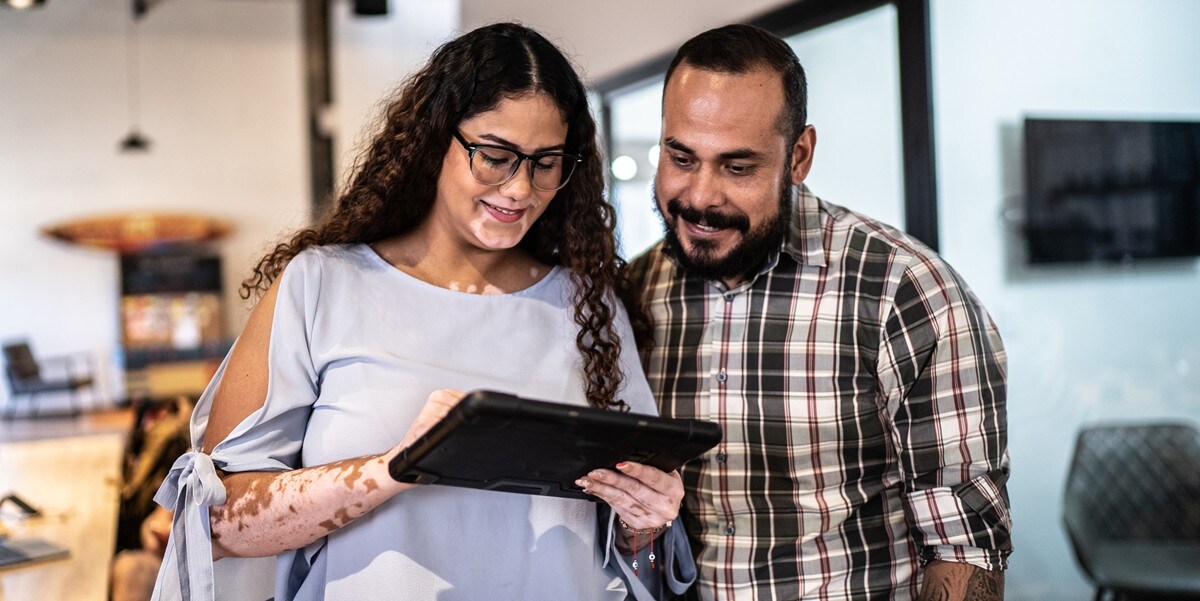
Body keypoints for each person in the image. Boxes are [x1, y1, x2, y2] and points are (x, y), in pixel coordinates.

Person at [150, 23, 694, 601]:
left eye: (546, 162)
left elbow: (635, 552)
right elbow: (217, 524)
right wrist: (396, 467)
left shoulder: (591, 306)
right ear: (436, 139)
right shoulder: (322, 285)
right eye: (495, 156)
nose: (520, 189)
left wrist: (643, 524)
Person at [626, 24, 1011, 600]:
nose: (701, 196)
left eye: (737, 167)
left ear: (799, 156)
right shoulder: (633, 292)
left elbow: (964, 550)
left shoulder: (905, 292)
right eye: (681, 157)